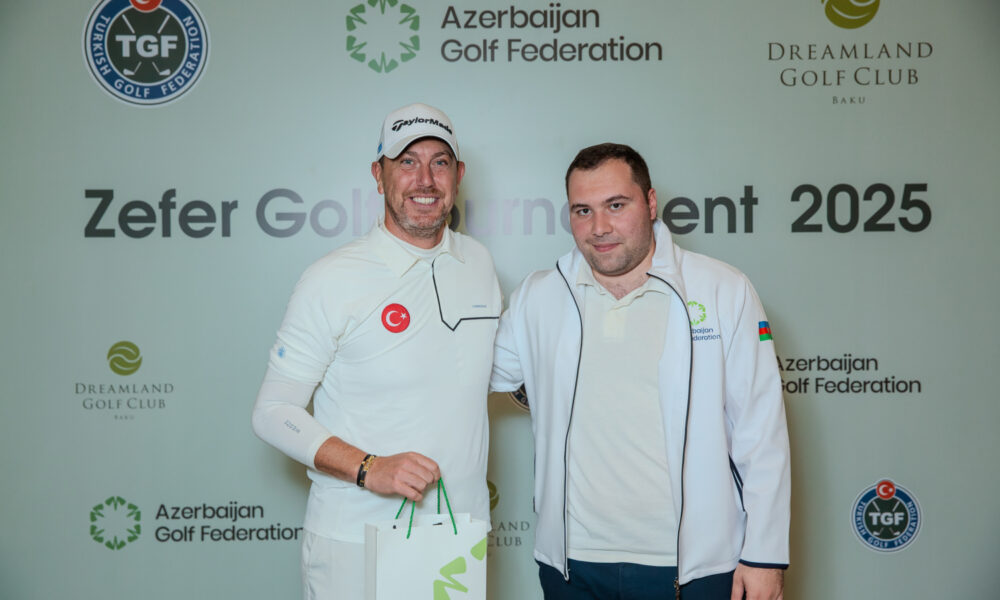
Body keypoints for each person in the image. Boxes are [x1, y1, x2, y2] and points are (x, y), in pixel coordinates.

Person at [491, 143, 790, 600]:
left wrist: (765, 556)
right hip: (572, 565)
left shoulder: (722, 289)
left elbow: (761, 431)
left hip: (695, 566)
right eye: (583, 211)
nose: (599, 227)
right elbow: (468, 375)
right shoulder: (540, 294)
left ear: (650, 203)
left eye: (616, 205)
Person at [252, 103, 501, 600]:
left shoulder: (478, 262)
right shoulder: (332, 278)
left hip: (457, 541)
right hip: (357, 541)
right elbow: (273, 412)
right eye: (407, 162)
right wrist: (369, 466)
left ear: (458, 175)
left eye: (439, 162)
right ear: (378, 174)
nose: (425, 180)